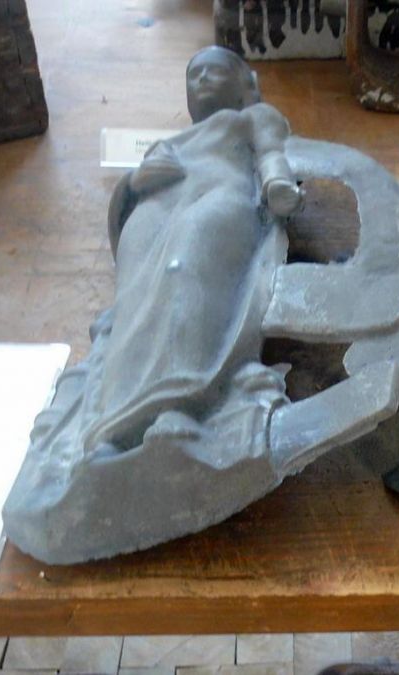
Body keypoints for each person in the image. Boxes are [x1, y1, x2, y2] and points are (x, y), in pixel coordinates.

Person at [81, 46, 304, 455]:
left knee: (183, 270)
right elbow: (128, 194)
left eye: (215, 71)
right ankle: (114, 427)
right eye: (194, 74)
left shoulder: (249, 119)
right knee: (133, 302)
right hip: (156, 210)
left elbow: (272, 152)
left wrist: (277, 185)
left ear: (246, 84)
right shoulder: (166, 142)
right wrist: (135, 182)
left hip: (217, 197)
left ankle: (180, 404)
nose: (202, 79)